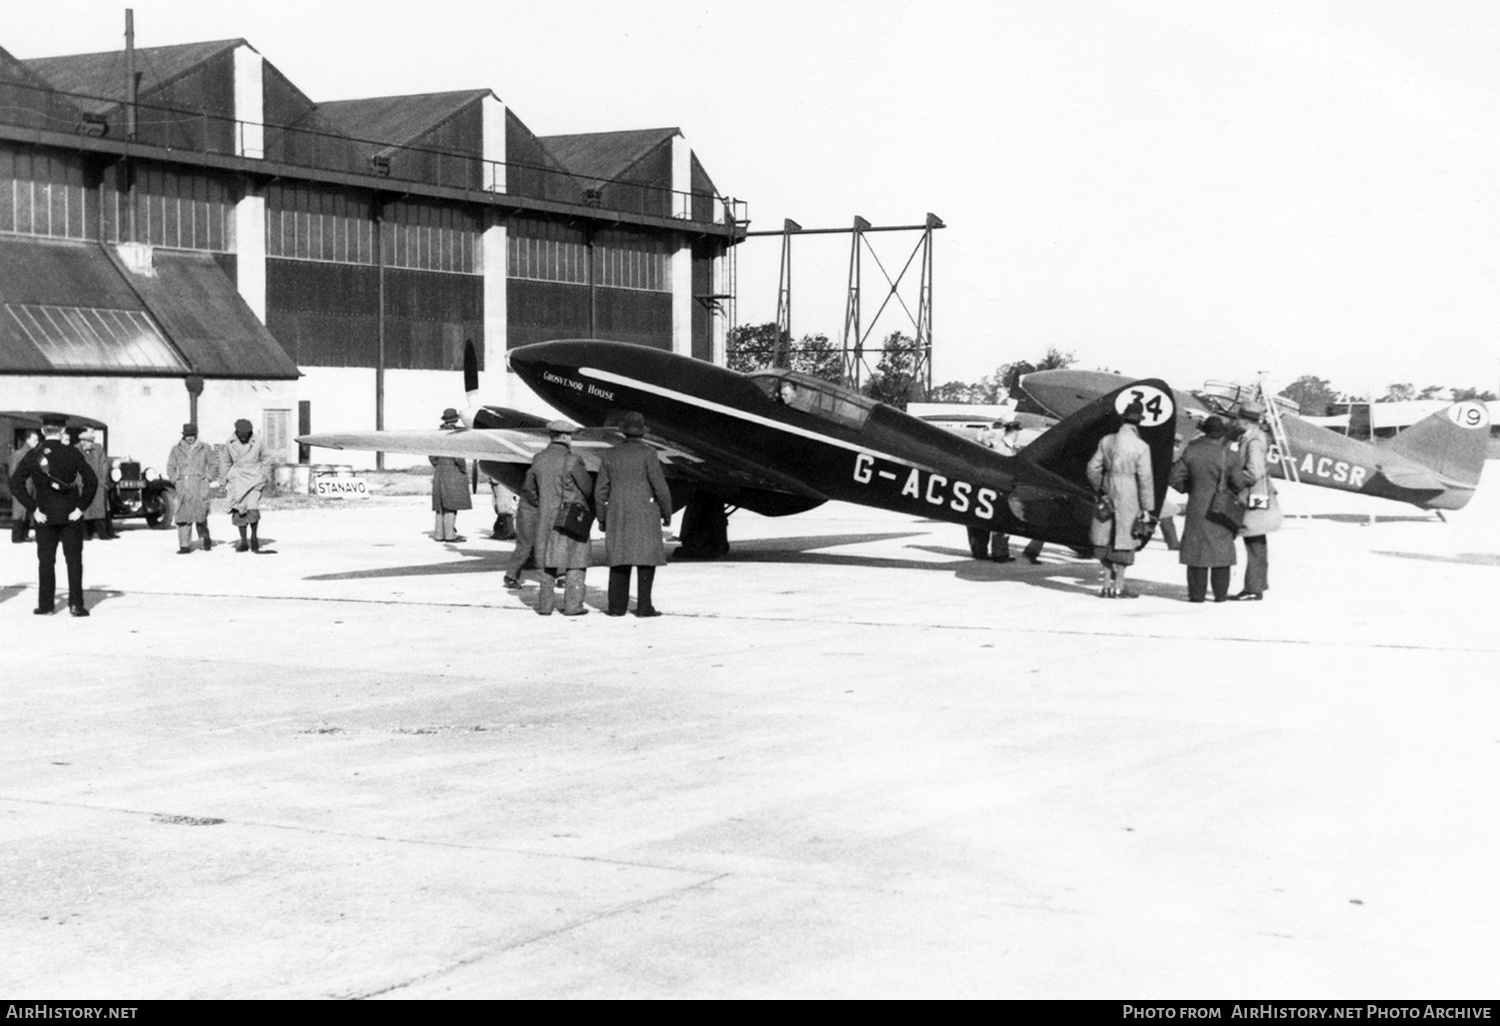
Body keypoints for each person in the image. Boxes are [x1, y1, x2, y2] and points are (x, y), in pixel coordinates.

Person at [8, 413, 98, 616]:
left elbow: (15, 483)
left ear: (42, 431)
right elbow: (91, 481)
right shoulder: (73, 453)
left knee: (46, 561)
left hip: (44, 515)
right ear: (63, 431)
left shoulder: (34, 455)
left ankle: (46, 605)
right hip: (71, 514)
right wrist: (81, 507)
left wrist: (33, 507)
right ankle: (76, 605)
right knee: (74, 560)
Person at [594, 411, 674, 617]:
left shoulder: (610, 455)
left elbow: (600, 490)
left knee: (619, 559)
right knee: (646, 560)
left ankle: (616, 607)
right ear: (641, 433)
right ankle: (644, 607)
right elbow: (660, 486)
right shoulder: (648, 453)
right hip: (645, 514)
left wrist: (602, 518)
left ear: (623, 432)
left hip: (617, 513)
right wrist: (667, 512)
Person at [1167, 416, 1247, 603]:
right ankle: (1219, 594)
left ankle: (1196, 595)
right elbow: (1239, 483)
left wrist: (1188, 489)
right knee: (1221, 550)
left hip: (1197, 507)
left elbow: (1173, 477)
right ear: (1222, 435)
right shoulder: (1230, 456)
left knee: (1196, 550)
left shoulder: (1191, 452)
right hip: (1222, 509)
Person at [521, 420, 593, 616]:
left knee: (546, 562)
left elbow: (528, 488)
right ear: (564, 437)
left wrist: (542, 503)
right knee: (575, 561)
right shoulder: (573, 460)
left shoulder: (538, 459)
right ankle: (573, 606)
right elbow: (587, 488)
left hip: (545, 518)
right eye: (570, 436)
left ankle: (544, 606)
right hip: (569, 518)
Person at [1085, 399, 1155, 598]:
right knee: (1124, 539)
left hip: (1109, 488)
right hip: (1129, 493)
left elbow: (1092, 468)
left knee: (1104, 538)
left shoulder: (1106, 440)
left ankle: (1106, 585)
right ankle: (1119, 585)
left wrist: (1101, 486)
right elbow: (1146, 479)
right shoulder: (1141, 446)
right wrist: (1147, 507)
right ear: (1139, 421)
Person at [1233, 402, 1279, 600]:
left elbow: (1255, 471)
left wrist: (1235, 482)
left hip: (1255, 493)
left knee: (1255, 540)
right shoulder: (1255, 437)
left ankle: (1253, 588)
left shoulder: (1253, 440)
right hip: (1258, 493)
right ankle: (1255, 586)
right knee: (1255, 541)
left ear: (1244, 419)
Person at [967, 419, 1015, 562]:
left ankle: (983, 551)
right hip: (989, 488)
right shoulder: (993, 444)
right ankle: (991, 552)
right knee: (989, 521)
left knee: (982, 520)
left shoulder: (1002, 445)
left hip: (987, 488)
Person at [166, 422, 216, 554]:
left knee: (200, 515)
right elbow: (170, 467)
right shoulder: (176, 449)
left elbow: (213, 464)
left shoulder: (205, 448)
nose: (190, 438)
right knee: (183, 516)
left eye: (192, 435)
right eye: (187, 435)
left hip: (199, 484)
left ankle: (205, 537)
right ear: (183, 436)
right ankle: (184, 545)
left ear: (196, 435)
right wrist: (176, 480)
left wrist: (207, 478)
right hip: (184, 485)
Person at [221, 418, 267, 553]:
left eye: (246, 434)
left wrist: (263, 474)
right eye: (241, 434)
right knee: (239, 509)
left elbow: (266, 458)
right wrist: (224, 480)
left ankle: (254, 537)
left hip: (254, 478)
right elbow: (225, 461)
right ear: (236, 431)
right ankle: (243, 541)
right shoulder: (230, 443)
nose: (243, 436)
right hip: (237, 478)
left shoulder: (258, 441)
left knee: (252, 508)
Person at [429, 408, 472, 543]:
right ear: (455, 420)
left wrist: (439, 465)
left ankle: (439, 534)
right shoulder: (454, 434)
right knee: (451, 504)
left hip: (439, 471)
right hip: (453, 471)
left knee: (440, 505)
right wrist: (463, 470)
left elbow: (431, 456)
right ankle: (449, 535)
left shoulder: (437, 434)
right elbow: (458, 457)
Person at [70, 427, 114, 539]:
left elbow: (104, 466)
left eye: (92, 441)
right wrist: (79, 483)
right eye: (89, 442)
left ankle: (103, 534)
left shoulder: (98, 449)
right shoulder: (75, 450)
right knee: (84, 511)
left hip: (98, 485)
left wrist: (102, 481)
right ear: (83, 442)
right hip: (82, 485)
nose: (91, 444)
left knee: (99, 510)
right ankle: (85, 535)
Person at [502, 486, 539, 589]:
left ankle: (560, 575)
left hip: (546, 509)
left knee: (556, 542)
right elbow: (529, 490)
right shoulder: (536, 470)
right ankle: (511, 576)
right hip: (531, 509)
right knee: (525, 545)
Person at [9, 428, 39, 543]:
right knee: (19, 512)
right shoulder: (18, 454)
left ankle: (24, 535)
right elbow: (12, 473)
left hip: (32, 487)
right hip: (21, 487)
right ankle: (17, 536)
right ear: (28, 440)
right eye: (35, 440)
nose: (37, 443)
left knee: (27, 512)